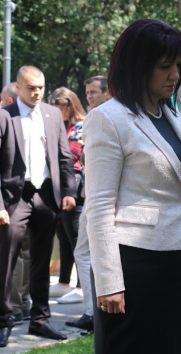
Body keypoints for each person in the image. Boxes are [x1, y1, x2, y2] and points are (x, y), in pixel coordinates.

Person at [83, 19, 181, 354]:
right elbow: (100, 205)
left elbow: (179, 196)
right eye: (165, 67)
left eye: (178, 65)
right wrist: (108, 282)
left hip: (173, 262)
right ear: (138, 67)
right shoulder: (108, 118)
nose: (175, 75)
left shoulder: (170, 114)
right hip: (131, 265)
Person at [0, 65, 77, 347]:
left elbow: (63, 158)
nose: (37, 93)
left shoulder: (52, 115)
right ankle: (3, 321)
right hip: (14, 198)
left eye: (40, 87)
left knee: (41, 261)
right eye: (31, 88)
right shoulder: (1, 117)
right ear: (19, 87)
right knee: (6, 260)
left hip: (46, 196)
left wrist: (69, 191)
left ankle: (40, 320)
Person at [0, 83, 34, 329]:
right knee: (20, 253)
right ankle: (19, 305)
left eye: (2, 100)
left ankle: (14, 307)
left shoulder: (9, 122)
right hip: (16, 200)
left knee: (15, 255)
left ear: (11, 100)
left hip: (15, 200)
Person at [71, 75, 111, 331]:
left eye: (93, 92)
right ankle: (94, 311)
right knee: (87, 253)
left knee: (86, 253)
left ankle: (93, 313)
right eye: (86, 93)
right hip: (95, 195)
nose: (89, 97)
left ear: (107, 93)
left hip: (101, 197)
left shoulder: (104, 117)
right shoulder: (100, 117)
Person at [47, 87, 86, 305]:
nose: (54, 113)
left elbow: (72, 157)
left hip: (76, 187)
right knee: (63, 236)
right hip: (62, 186)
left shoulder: (80, 126)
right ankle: (64, 282)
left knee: (76, 238)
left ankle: (81, 287)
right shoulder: (64, 126)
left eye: (58, 108)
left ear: (68, 106)